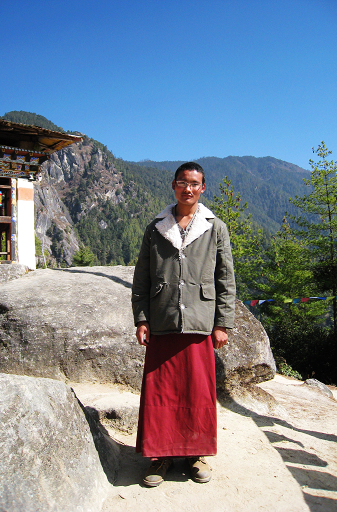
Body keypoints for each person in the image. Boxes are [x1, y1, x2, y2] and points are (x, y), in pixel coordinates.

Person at [132, 162, 235, 487]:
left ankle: (196, 454)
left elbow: (225, 278)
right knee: (160, 393)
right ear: (173, 185)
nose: (187, 189)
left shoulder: (214, 227)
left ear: (202, 188)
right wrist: (142, 317)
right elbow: (142, 278)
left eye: (194, 183)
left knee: (198, 393)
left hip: (200, 322)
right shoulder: (156, 227)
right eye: (182, 183)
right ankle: (159, 456)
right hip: (162, 321)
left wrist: (223, 323)